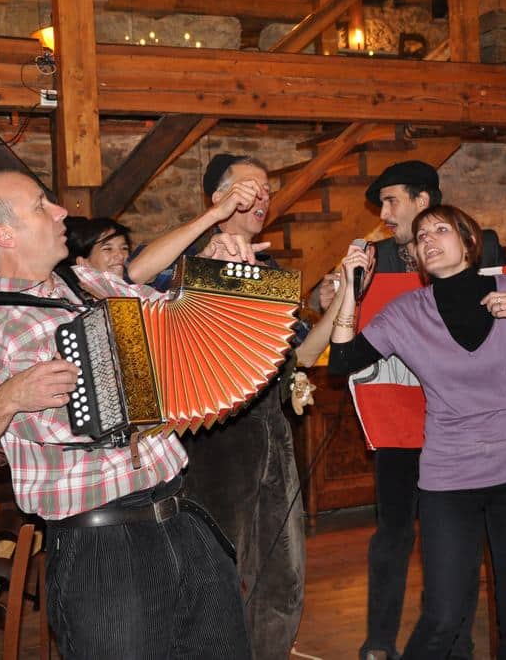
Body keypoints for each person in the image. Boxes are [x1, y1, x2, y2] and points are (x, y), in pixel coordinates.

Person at [0, 171, 251, 658]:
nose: (61, 212)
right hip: (102, 550)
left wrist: (218, 271)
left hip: (184, 523)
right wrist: (7, 399)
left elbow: (177, 318)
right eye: (42, 205)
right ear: (4, 234)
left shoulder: (86, 281)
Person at [328, 205, 506, 659]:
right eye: (420, 236)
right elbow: (342, 361)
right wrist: (352, 291)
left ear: (469, 243)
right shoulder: (408, 312)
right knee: (444, 617)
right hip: (448, 480)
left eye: (440, 230)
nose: (427, 239)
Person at [130, 153, 340, 660]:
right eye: (248, 188)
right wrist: (207, 231)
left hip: (273, 434)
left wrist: (341, 300)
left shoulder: (268, 272)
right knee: (212, 574)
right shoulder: (186, 260)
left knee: (282, 573)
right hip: (212, 444)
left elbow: (302, 358)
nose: (261, 198)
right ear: (217, 197)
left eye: (267, 190)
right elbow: (135, 273)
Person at [347, 160, 506, 660]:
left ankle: (456, 640)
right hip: (398, 414)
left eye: (392, 201)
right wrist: (338, 293)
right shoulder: (370, 256)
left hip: (461, 422)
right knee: (393, 531)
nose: (385, 213)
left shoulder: (485, 244)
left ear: (423, 200)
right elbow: (340, 324)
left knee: (456, 535)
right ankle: (379, 642)